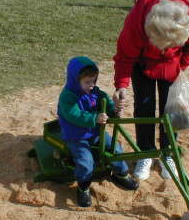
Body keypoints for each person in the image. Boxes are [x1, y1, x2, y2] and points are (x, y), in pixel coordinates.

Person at [112, 0, 189, 181]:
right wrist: (121, 85)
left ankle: (168, 152)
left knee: (170, 109)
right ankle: (146, 152)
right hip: (142, 63)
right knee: (144, 107)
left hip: (172, 65)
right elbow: (124, 56)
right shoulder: (137, 20)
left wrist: (182, 67)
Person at [58, 56, 139, 207]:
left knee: (116, 149)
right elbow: (73, 115)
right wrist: (95, 118)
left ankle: (120, 174)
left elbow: (106, 103)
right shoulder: (67, 97)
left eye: (94, 81)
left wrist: (114, 110)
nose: (91, 85)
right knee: (85, 162)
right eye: (87, 82)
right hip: (77, 136)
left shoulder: (96, 92)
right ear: (75, 80)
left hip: (95, 133)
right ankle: (83, 187)